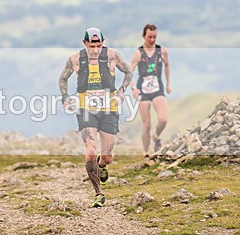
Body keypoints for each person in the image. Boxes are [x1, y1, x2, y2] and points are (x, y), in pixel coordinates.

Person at [59, 28, 133, 207]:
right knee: (91, 149)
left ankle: (102, 166)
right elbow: (62, 79)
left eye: (99, 45)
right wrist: (65, 96)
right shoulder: (75, 59)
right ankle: (98, 193)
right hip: (86, 109)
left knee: (107, 157)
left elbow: (128, 72)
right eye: (92, 46)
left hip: (109, 109)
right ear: (84, 43)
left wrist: (122, 91)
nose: (95, 49)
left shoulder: (113, 56)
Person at [129, 24, 171, 155]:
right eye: (149, 37)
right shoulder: (138, 53)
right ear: (143, 36)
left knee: (163, 119)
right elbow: (129, 72)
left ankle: (156, 137)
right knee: (147, 124)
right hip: (143, 92)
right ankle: (146, 152)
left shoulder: (162, 51)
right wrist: (133, 88)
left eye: (154, 37)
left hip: (158, 89)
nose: (152, 40)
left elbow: (167, 65)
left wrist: (168, 83)